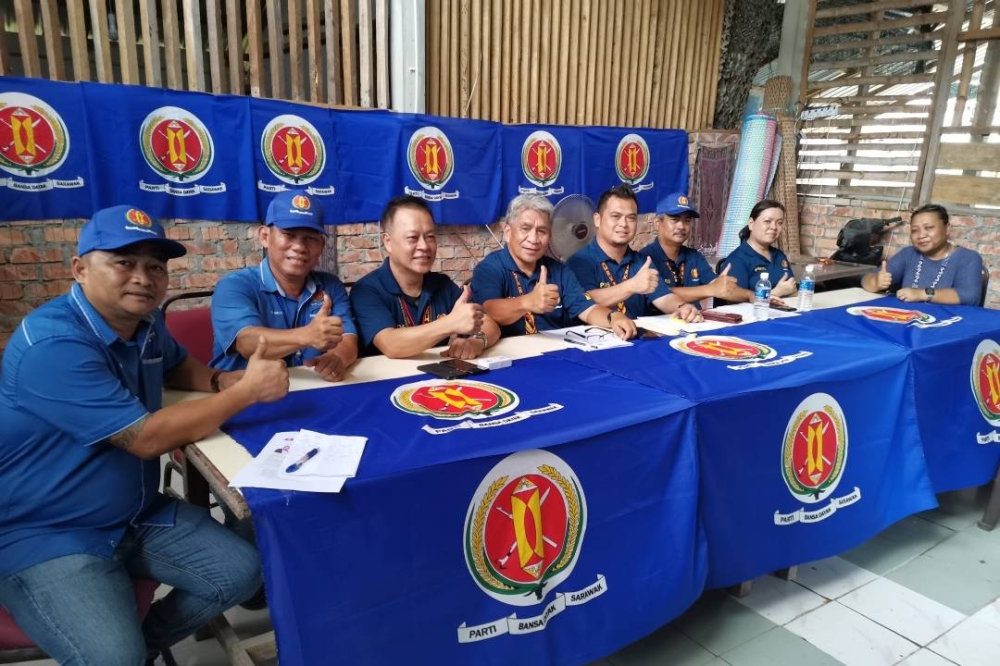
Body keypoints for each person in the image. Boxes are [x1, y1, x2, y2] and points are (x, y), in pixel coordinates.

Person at [0, 206, 289, 665]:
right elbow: (145, 438)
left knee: (242, 572)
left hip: (136, 513)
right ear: (79, 269)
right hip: (48, 531)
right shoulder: (53, 346)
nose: (143, 277)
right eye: (124, 262)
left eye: (155, 266)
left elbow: (177, 364)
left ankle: (147, 644)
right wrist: (248, 392)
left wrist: (220, 382)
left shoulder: (147, 323)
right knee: (115, 658)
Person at [211, 190, 358, 382]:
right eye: (289, 234)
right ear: (265, 236)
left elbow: (348, 338)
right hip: (242, 396)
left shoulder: (330, 285)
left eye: (310, 238)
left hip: (312, 390)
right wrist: (306, 336)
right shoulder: (234, 286)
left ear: (322, 245)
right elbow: (247, 343)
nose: (299, 246)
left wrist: (337, 358)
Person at [350, 195, 501, 358]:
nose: (424, 246)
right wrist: (451, 323)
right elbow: (391, 345)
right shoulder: (367, 290)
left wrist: (478, 341)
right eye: (412, 238)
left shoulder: (441, 284)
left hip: (439, 378)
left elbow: (491, 326)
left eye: (430, 237)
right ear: (388, 242)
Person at [471, 193, 638, 339]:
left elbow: (587, 308)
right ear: (508, 232)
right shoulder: (489, 269)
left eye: (541, 231)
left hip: (557, 353)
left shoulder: (559, 271)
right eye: (525, 229)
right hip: (512, 357)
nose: (534, 239)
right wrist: (526, 302)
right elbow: (488, 310)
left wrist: (613, 317)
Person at [566, 185, 702, 323]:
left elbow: (664, 297)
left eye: (631, 218)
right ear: (597, 219)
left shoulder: (642, 261)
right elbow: (583, 301)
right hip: (596, 340)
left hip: (637, 338)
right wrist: (631, 286)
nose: (624, 224)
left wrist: (682, 307)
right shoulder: (580, 261)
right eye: (615, 216)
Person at [861, 203, 984, 305]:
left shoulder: (968, 258)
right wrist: (876, 282)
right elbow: (866, 279)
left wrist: (922, 294)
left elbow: (970, 297)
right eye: (915, 230)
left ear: (948, 229)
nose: (921, 235)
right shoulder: (908, 254)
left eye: (929, 228)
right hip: (907, 322)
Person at [641, 192, 741, 307]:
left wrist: (752, 296)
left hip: (695, 322)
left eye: (687, 221)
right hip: (660, 323)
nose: (681, 226)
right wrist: (710, 289)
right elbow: (661, 294)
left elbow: (718, 285)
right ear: (657, 223)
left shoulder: (694, 256)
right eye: (674, 219)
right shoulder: (645, 258)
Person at [718, 199, 797, 301]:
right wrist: (776, 293)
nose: (774, 227)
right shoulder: (737, 260)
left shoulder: (779, 256)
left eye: (779, 223)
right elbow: (735, 305)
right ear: (751, 223)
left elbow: (792, 290)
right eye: (767, 221)